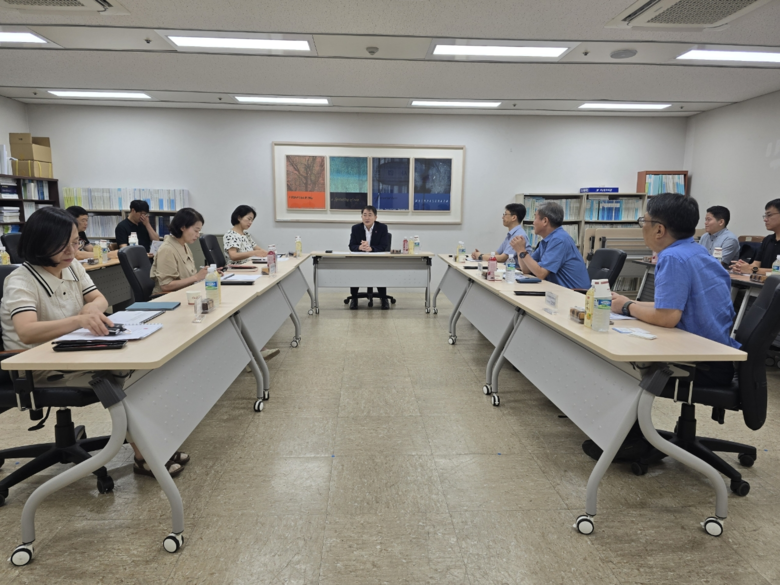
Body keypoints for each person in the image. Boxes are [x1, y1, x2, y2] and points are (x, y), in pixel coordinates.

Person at [0, 207, 188, 477]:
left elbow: (99, 298)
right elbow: (27, 332)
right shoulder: (21, 280)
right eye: (63, 245)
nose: (72, 251)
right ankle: (146, 455)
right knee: (118, 377)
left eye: (75, 243)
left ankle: (157, 444)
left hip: (71, 352)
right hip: (36, 366)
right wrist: (79, 320)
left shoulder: (72, 267)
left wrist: (91, 308)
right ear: (40, 244)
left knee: (141, 368)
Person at [585, 193, 741, 462]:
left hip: (701, 364)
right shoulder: (695, 251)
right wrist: (628, 304)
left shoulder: (672, 257)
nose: (642, 227)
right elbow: (670, 308)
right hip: (716, 354)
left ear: (659, 229)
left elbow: (667, 317)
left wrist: (627, 307)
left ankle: (632, 442)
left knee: (618, 364)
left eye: (643, 221)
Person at [510, 201, 590, 289]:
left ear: (545, 221)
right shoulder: (547, 240)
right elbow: (526, 270)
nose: (533, 222)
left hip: (575, 293)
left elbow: (541, 274)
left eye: (535, 218)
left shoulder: (559, 240)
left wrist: (522, 250)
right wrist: (519, 250)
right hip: (558, 290)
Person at [149, 207, 209, 295]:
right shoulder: (167, 249)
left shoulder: (184, 245)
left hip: (185, 292)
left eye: (199, 231)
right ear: (183, 227)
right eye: (196, 230)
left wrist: (208, 274)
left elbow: (190, 276)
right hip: (168, 298)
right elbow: (166, 286)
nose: (198, 235)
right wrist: (196, 277)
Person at [348, 205, 391, 310]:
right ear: (361, 217)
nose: (367, 218)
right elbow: (351, 246)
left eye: (370, 215)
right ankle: (354, 298)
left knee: (380, 272)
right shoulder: (355, 228)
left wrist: (371, 248)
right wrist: (359, 247)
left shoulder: (382, 228)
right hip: (360, 259)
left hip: (377, 259)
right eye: (365, 215)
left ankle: (383, 298)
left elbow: (384, 246)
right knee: (354, 271)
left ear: (375, 217)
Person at [732, 198, 780, 275]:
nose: (765, 219)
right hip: (761, 281)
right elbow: (755, 265)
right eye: (765, 216)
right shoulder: (767, 239)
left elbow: (778, 272)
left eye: (769, 215)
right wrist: (741, 267)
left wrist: (752, 270)